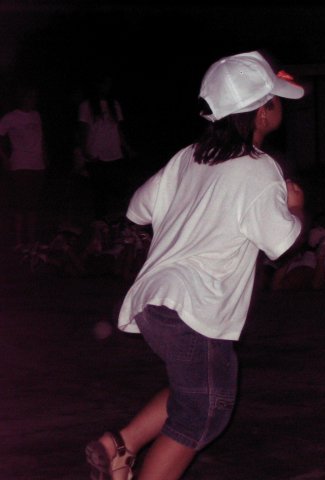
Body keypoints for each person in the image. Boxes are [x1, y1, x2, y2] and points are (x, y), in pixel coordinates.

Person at [85, 50, 305, 480]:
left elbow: (137, 209)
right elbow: (283, 244)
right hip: (194, 307)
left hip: (155, 303)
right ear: (261, 112)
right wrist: (295, 207)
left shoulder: (189, 157)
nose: (279, 105)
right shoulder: (260, 170)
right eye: (275, 99)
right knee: (204, 411)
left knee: (195, 389)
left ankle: (120, 446)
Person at [77, 74, 133, 220]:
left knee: (119, 189)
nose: (105, 88)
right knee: (99, 193)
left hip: (114, 153)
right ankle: (101, 224)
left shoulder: (114, 105)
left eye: (108, 84)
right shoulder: (86, 105)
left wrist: (126, 148)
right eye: (103, 84)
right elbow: (83, 129)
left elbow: (118, 129)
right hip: (96, 155)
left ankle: (117, 221)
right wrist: (84, 151)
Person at [0, 86, 47, 250]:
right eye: (30, 96)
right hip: (20, 164)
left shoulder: (36, 115)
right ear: (22, 98)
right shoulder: (10, 117)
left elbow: (41, 138)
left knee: (33, 205)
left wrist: (44, 156)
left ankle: (32, 240)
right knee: (20, 205)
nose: (33, 100)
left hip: (37, 165)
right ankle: (19, 241)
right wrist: (4, 158)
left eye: (35, 97)